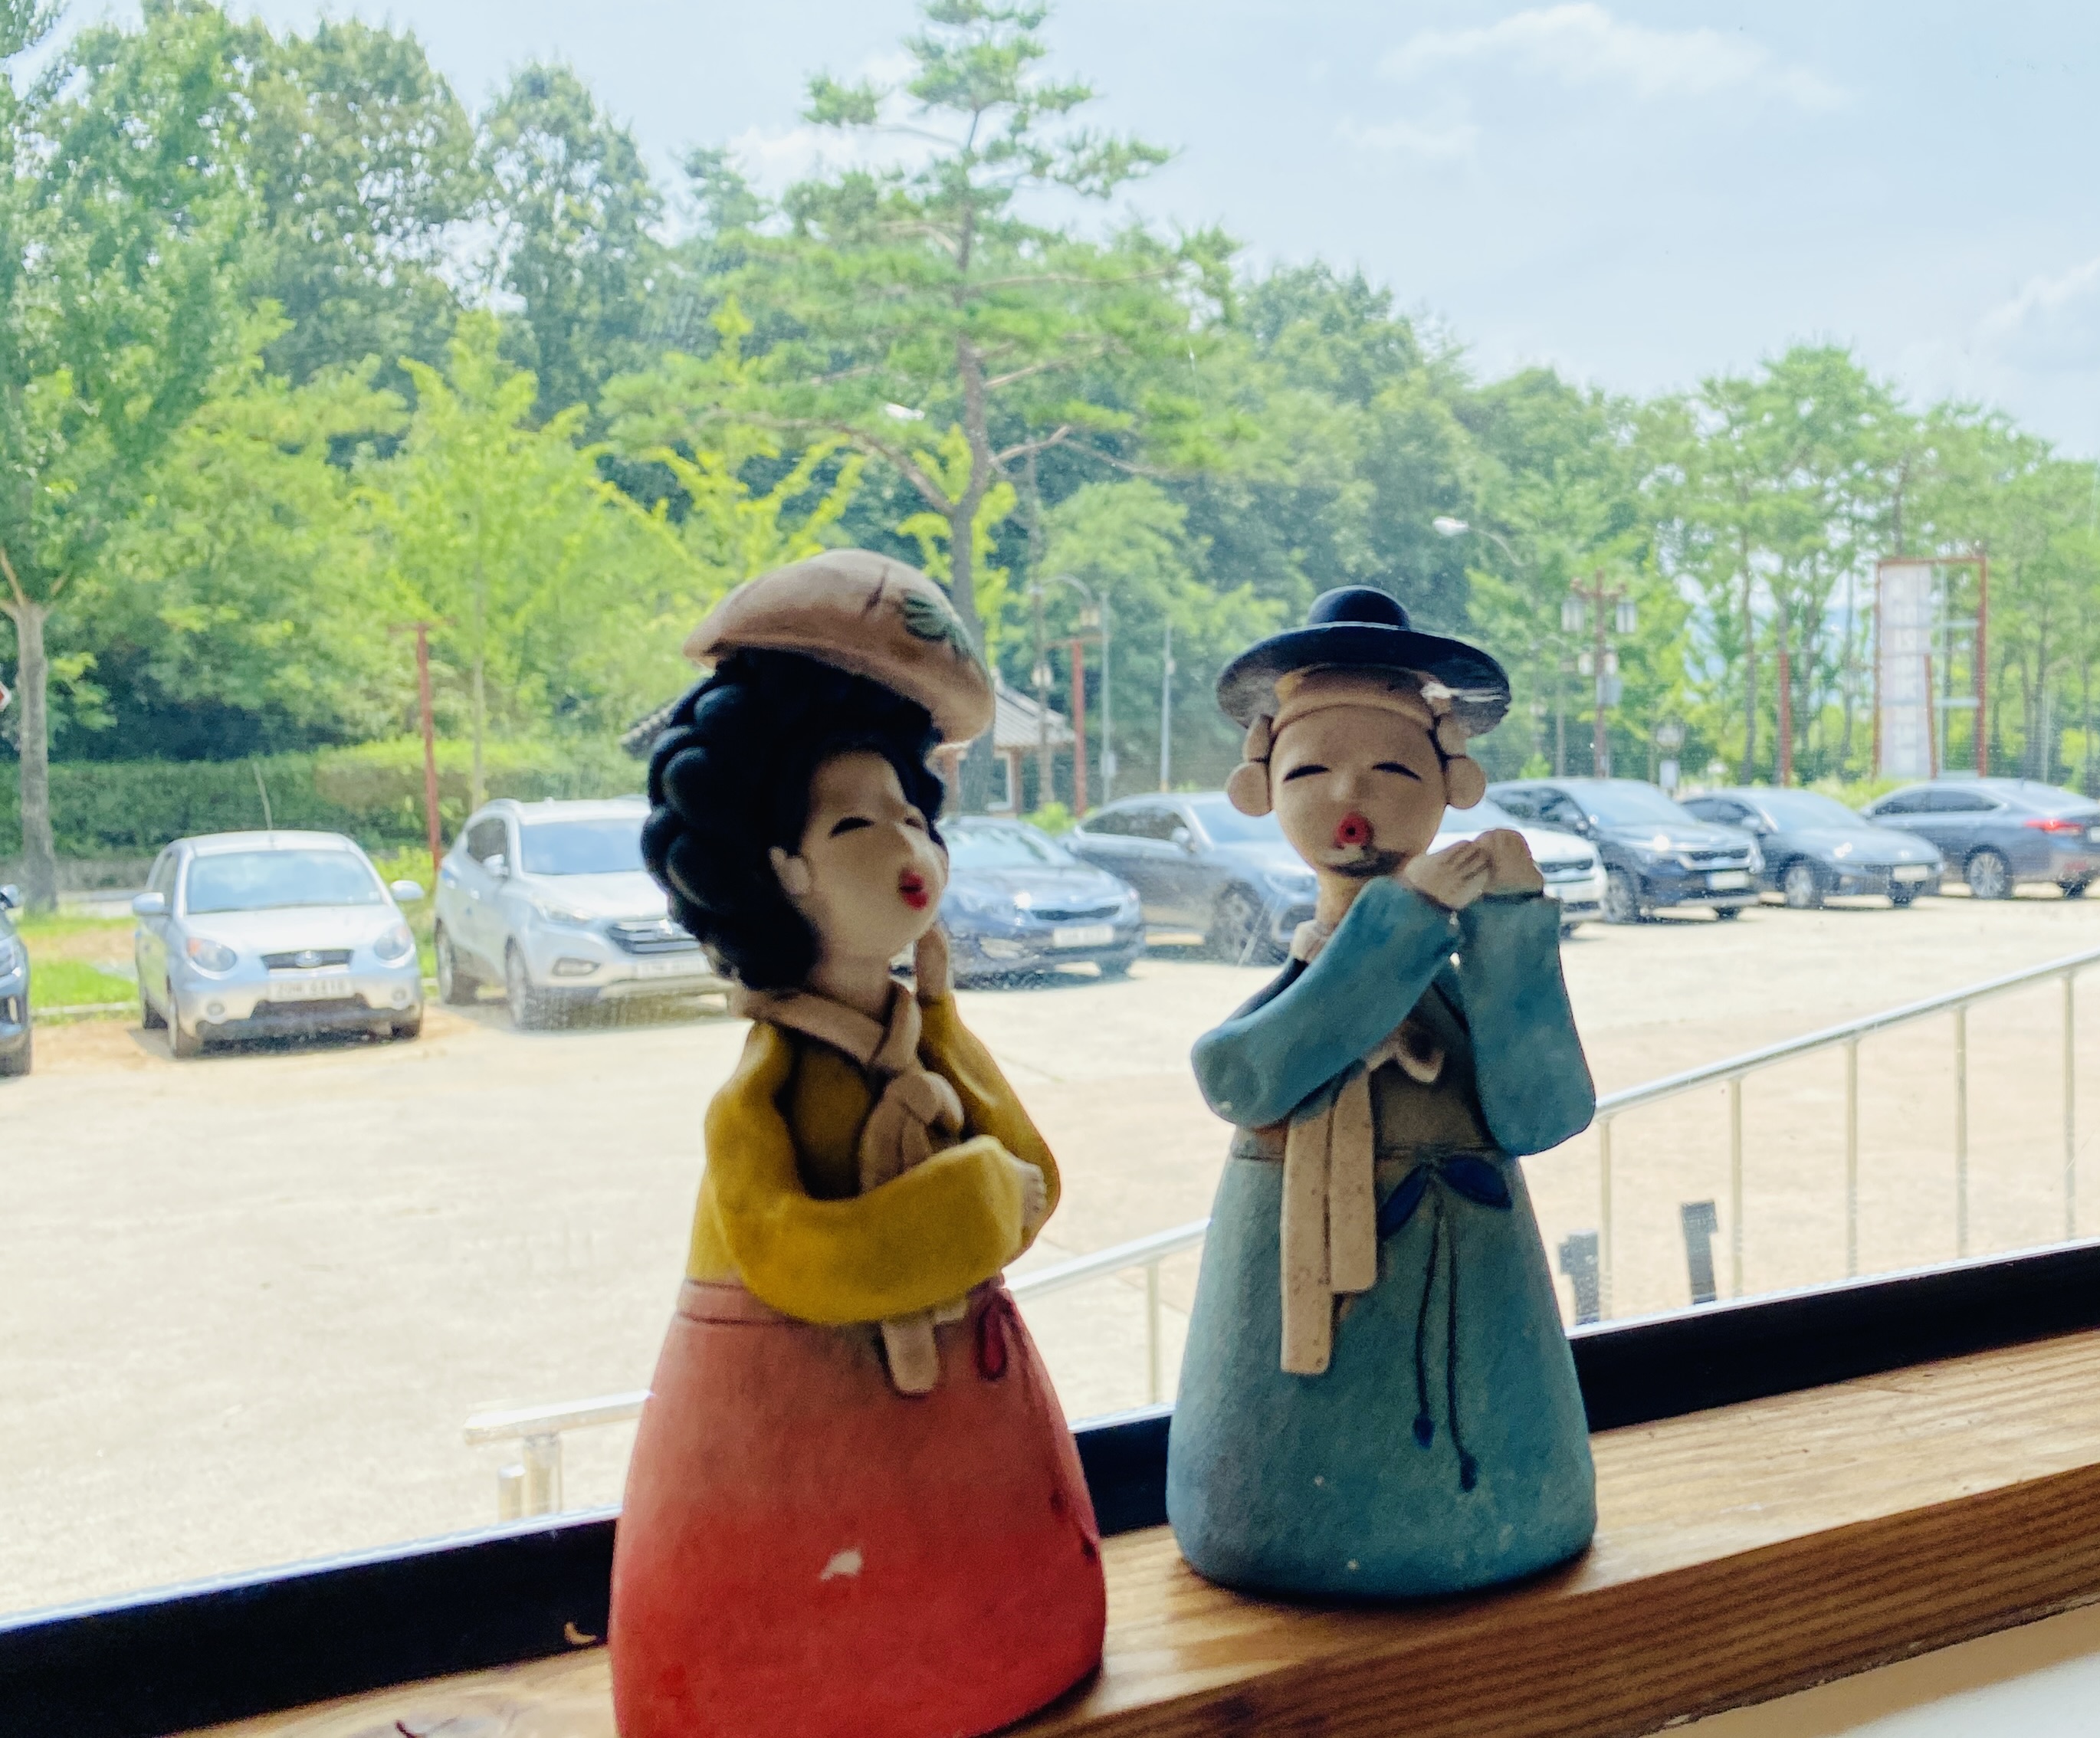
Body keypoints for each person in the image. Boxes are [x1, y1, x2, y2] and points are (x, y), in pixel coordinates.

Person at [610, 550, 1104, 1738]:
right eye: (854, 824)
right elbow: (794, 1255)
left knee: (980, 1609)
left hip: (966, 1439)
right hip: (782, 1460)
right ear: (780, 870)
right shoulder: (760, 1094)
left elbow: (1034, 1179)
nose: (906, 849)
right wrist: (964, 1206)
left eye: (910, 815)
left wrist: (944, 1032)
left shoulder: (922, 1033)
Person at [1166, 585, 1600, 1600]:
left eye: (1392, 768)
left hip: (1468, 1251)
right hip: (1294, 1254)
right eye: (1309, 770)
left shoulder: (1442, 965)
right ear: (1264, 788)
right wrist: (1401, 922)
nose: (1346, 795)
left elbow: (1542, 1112)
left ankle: (1481, 1512)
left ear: (1449, 787)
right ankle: (1277, 1518)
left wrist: (1513, 931)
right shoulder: (1359, 956)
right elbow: (1242, 1073)